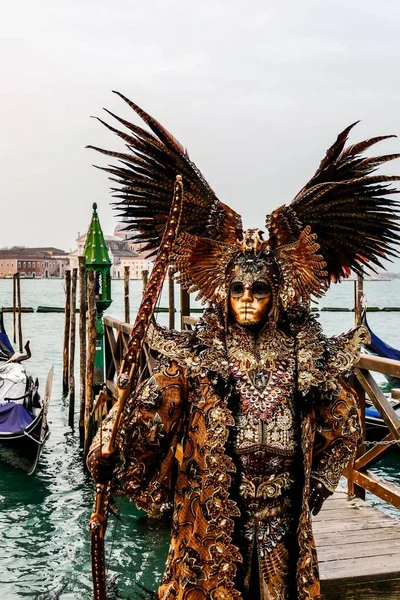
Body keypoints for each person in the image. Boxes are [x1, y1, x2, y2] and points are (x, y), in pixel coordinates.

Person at [87, 95, 400, 600]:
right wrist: (115, 442)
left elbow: (343, 419)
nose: (248, 300)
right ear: (223, 292)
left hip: (284, 527)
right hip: (210, 525)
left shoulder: (307, 355)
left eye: (259, 291)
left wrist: (316, 484)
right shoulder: (199, 355)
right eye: (238, 290)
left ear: (277, 294)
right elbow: (151, 411)